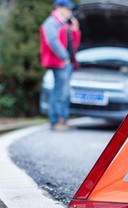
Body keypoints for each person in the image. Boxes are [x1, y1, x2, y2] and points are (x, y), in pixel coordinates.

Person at [40, 0, 81, 131]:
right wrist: (64, 57)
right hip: (59, 63)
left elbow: (73, 44)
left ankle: (63, 119)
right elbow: (53, 42)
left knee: (65, 92)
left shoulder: (64, 24)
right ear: (58, 8)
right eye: (67, 9)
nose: (70, 12)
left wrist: (75, 30)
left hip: (67, 62)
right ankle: (55, 121)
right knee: (59, 92)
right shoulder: (51, 23)